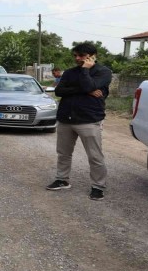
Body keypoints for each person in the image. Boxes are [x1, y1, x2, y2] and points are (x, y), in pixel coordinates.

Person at [46, 42, 112, 201]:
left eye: (81, 56)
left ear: (92, 56)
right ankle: (62, 179)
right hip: (66, 118)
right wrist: (85, 90)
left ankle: (98, 186)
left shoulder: (104, 72)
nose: (77, 58)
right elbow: (59, 91)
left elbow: (91, 84)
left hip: (89, 119)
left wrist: (85, 71)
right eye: (75, 55)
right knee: (63, 153)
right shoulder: (69, 72)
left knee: (95, 156)